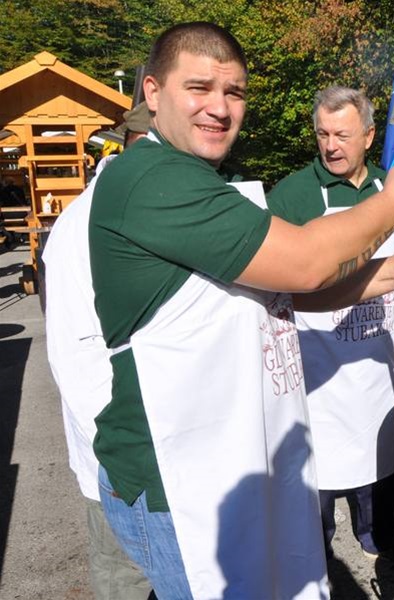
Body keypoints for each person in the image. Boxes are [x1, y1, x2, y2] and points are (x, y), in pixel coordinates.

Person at [88, 22, 394, 600]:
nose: (219, 107)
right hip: (177, 476)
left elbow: (283, 294)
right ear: (152, 92)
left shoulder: (208, 180)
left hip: (233, 455)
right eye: (199, 88)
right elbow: (305, 263)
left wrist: (392, 273)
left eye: (234, 92)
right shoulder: (151, 179)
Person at [268, 87, 394, 561]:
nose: (331, 146)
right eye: (323, 134)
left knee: (381, 466)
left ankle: (378, 543)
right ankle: (320, 557)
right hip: (317, 375)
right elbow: (273, 285)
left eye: (343, 135)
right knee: (317, 483)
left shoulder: (393, 191)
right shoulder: (291, 196)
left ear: (369, 136)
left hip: (376, 362)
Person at [44, 103, 154, 600]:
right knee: (126, 576)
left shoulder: (142, 206)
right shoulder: (83, 224)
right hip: (120, 455)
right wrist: (122, 450)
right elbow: (75, 357)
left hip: (159, 447)